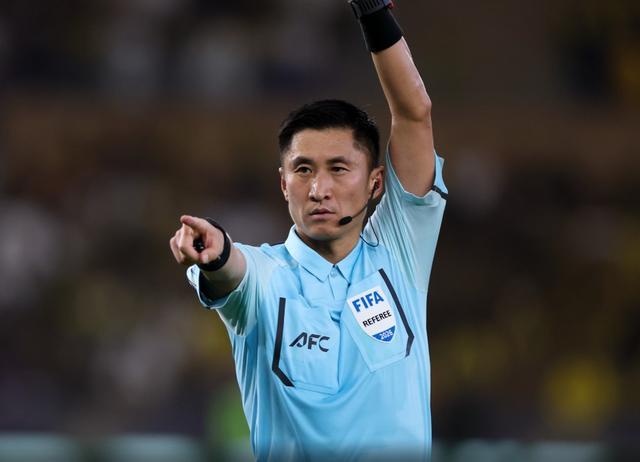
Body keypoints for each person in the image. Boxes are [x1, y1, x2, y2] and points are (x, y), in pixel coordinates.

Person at [169, 1, 447, 460]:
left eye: (338, 169)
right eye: (303, 170)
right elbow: (230, 270)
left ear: (376, 183)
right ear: (283, 184)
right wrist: (215, 253)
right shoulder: (265, 275)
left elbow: (414, 113)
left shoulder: (400, 250)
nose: (319, 189)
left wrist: (373, 11)